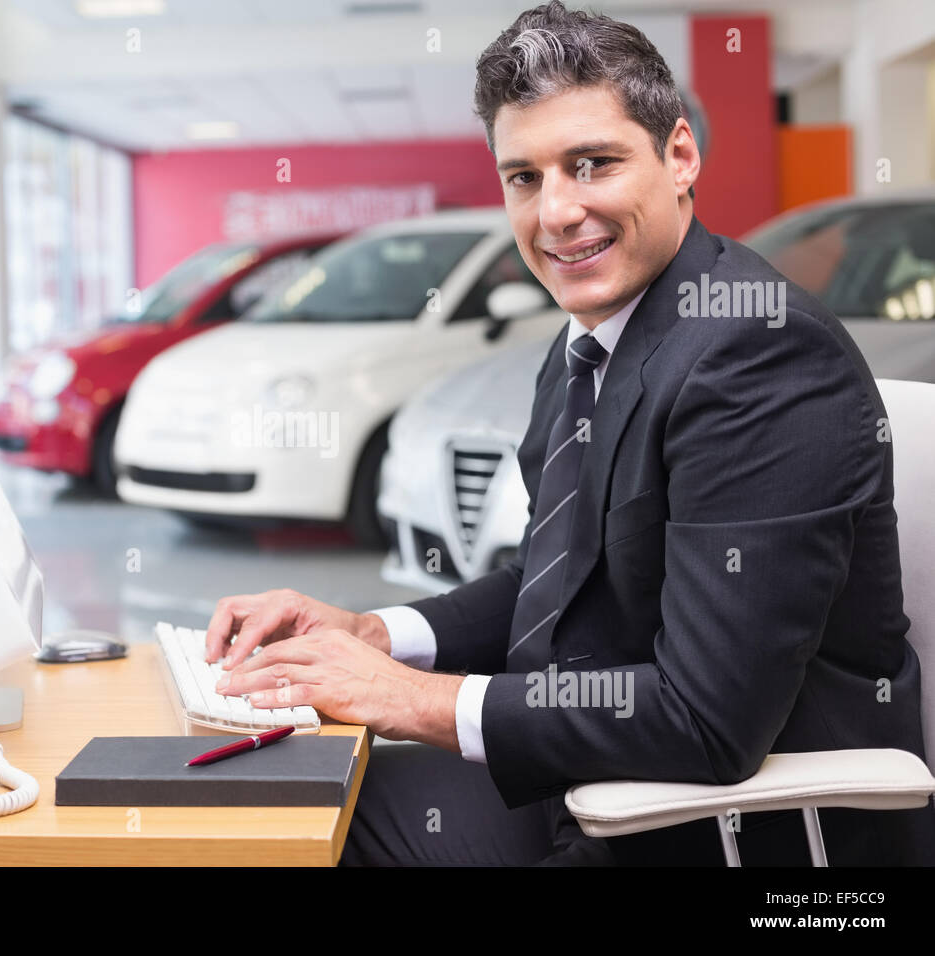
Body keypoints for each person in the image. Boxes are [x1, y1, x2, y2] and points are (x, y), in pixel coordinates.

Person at [205, 1, 935, 866]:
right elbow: (559, 582)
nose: (555, 212)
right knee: (278, 819)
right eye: (525, 177)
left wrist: (412, 701)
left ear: (679, 157)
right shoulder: (591, 340)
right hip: (592, 776)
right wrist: (377, 635)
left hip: (731, 827)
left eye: (592, 164)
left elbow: (709, 720)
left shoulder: (758, 354)